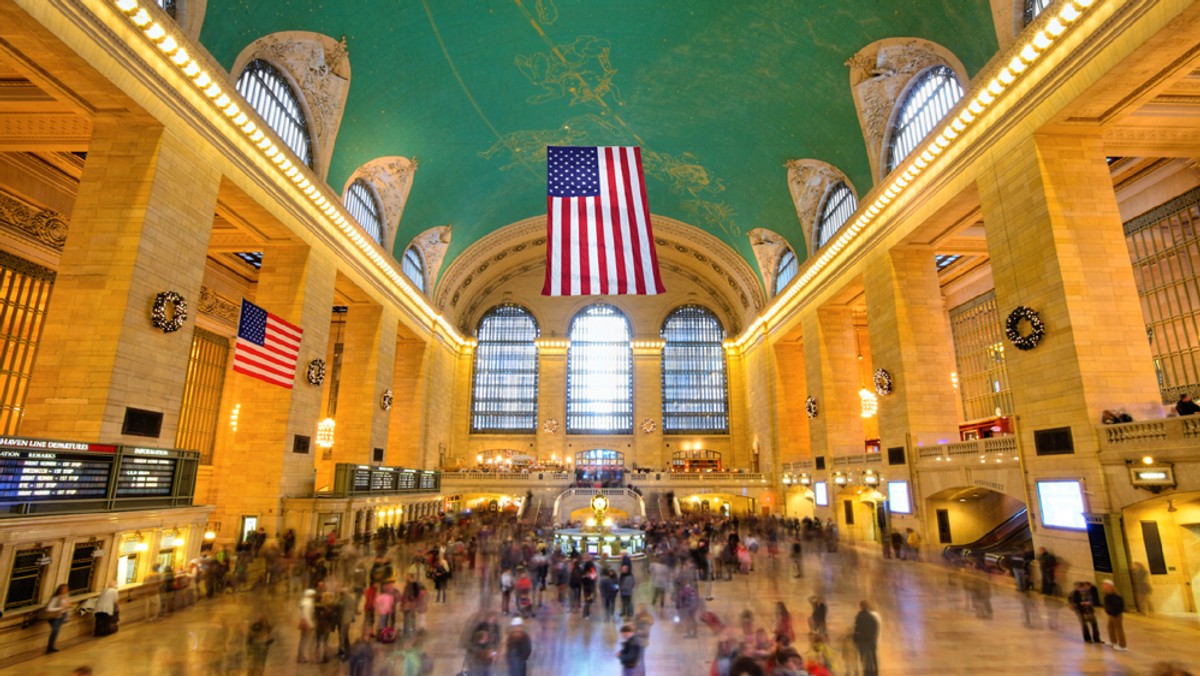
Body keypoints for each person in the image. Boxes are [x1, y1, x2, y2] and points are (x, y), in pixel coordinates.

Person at [853, 600, 880, 676]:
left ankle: (867, 672)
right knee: (872, 656)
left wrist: (855, 639)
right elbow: (875, 628)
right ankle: (874, 672)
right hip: (871, 641)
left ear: (861, 607)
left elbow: (857, 629)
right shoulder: (872, 617)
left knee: (864, 658)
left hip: (862, 641)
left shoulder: (859, 617)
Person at [44, 583, 72, 654]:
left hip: (62, 616)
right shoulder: (55, 598)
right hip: (55, 617)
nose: (65, 590)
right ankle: (50, 647)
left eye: (66, 589)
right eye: (63, 589)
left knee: (56, 631)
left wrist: (67, 614)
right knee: (55, 631)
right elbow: (49, 608)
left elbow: (67, 607)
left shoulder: (66, 597)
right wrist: (60, 608)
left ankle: (51, 646)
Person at [1102, 580, 1128, 651]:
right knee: (1110, 628)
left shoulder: (1116, 595)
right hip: (1111, 614)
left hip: (1116, 614)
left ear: (1110, 586)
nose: (1103, 586)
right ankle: (1113, 641)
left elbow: (1120, 606)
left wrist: (1114, 612)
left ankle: (1123, 645)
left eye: (1105, 584)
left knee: (1119, 630)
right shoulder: (1107, 594)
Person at [297, 589, 317, 662]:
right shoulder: (308, 604)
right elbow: (307, 615)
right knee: (304, 640)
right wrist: (311, 625)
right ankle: (301, 657)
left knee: (302, 640)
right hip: (306, 624)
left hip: (303, 622)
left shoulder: (303, 602)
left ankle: (300, 656)